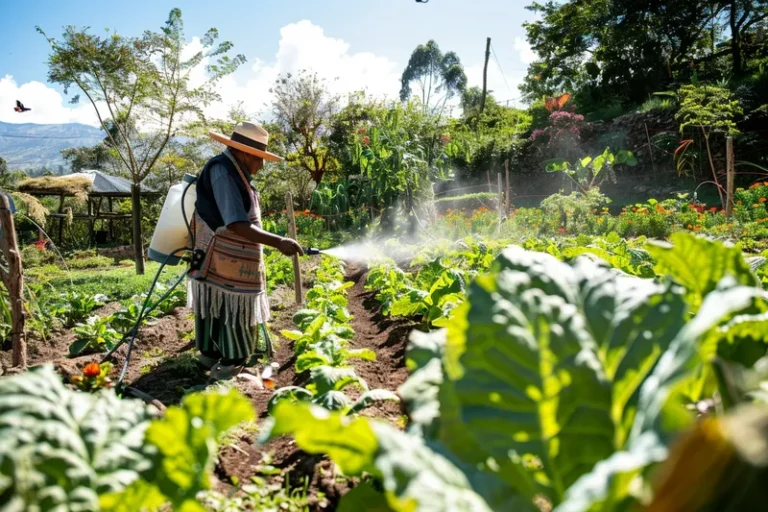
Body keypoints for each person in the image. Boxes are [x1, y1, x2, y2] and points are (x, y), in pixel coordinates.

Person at [188, 122, 303, 380]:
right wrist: (279, 241)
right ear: (246, 153)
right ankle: (227, 363)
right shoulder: (223, 173)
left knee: (222, 304)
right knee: (227, 303)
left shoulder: (235, 171)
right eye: (260, 159)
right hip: (218, 255)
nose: (261, 165)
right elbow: (237, 222)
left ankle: (215, 356)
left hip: (228, 256)